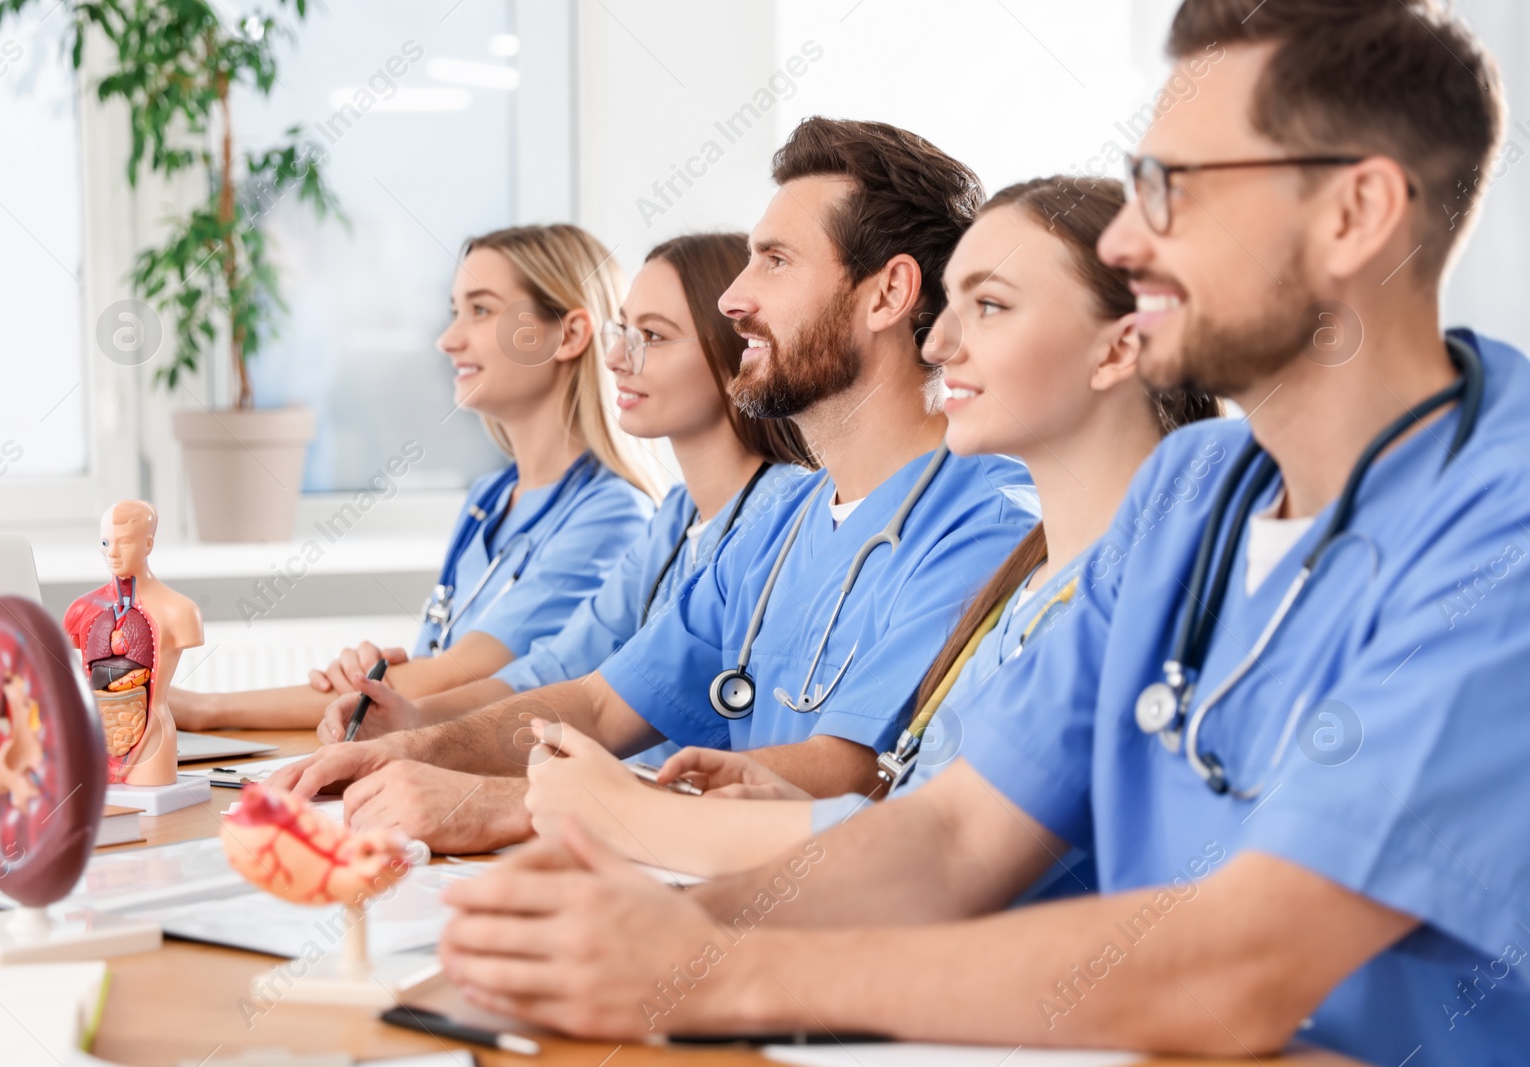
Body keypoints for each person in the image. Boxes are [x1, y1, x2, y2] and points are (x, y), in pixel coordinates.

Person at [432, 2, 1530, 1061]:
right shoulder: (1191, 489)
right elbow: (954, 837)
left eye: (1173, 188)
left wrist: (711, 971)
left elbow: (1244, 961)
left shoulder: (1503, 528)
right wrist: (631, 936)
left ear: (1354, 213)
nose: (1132, 240)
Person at [272, 118, 1042, 856]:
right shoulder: (783, 522)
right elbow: (601, 703)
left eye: (775, 261)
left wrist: (502, 805)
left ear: (886, 294)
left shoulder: (984, 524)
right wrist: (409, 747)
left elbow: (852, 771)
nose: (735, 297)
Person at [516, 175, 1218, 878]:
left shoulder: (1135, 588)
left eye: (992, 306)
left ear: (1120, 350)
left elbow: (947, 856)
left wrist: (627, 814)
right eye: (953, 308)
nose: (939, 342)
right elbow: (928, 809)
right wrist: (776, 806)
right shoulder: (1028, 587)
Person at [311, 233, 814, 756]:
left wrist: (429, 740)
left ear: (745, 351)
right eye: (624, 330)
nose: (617, 357)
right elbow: (557, 667)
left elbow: (615, 708)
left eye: (654, 336)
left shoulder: (785, 519)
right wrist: (414, 718)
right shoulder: (675, 521)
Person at [171, 224, 657, 731]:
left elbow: (445, 680)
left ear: (570, 335)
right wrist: (372, 674)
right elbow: (423, 675)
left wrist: (205, 710)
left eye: (482, 310)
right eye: (454, 312)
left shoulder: (612, 516)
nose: (448, 340)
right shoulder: (489, 500)